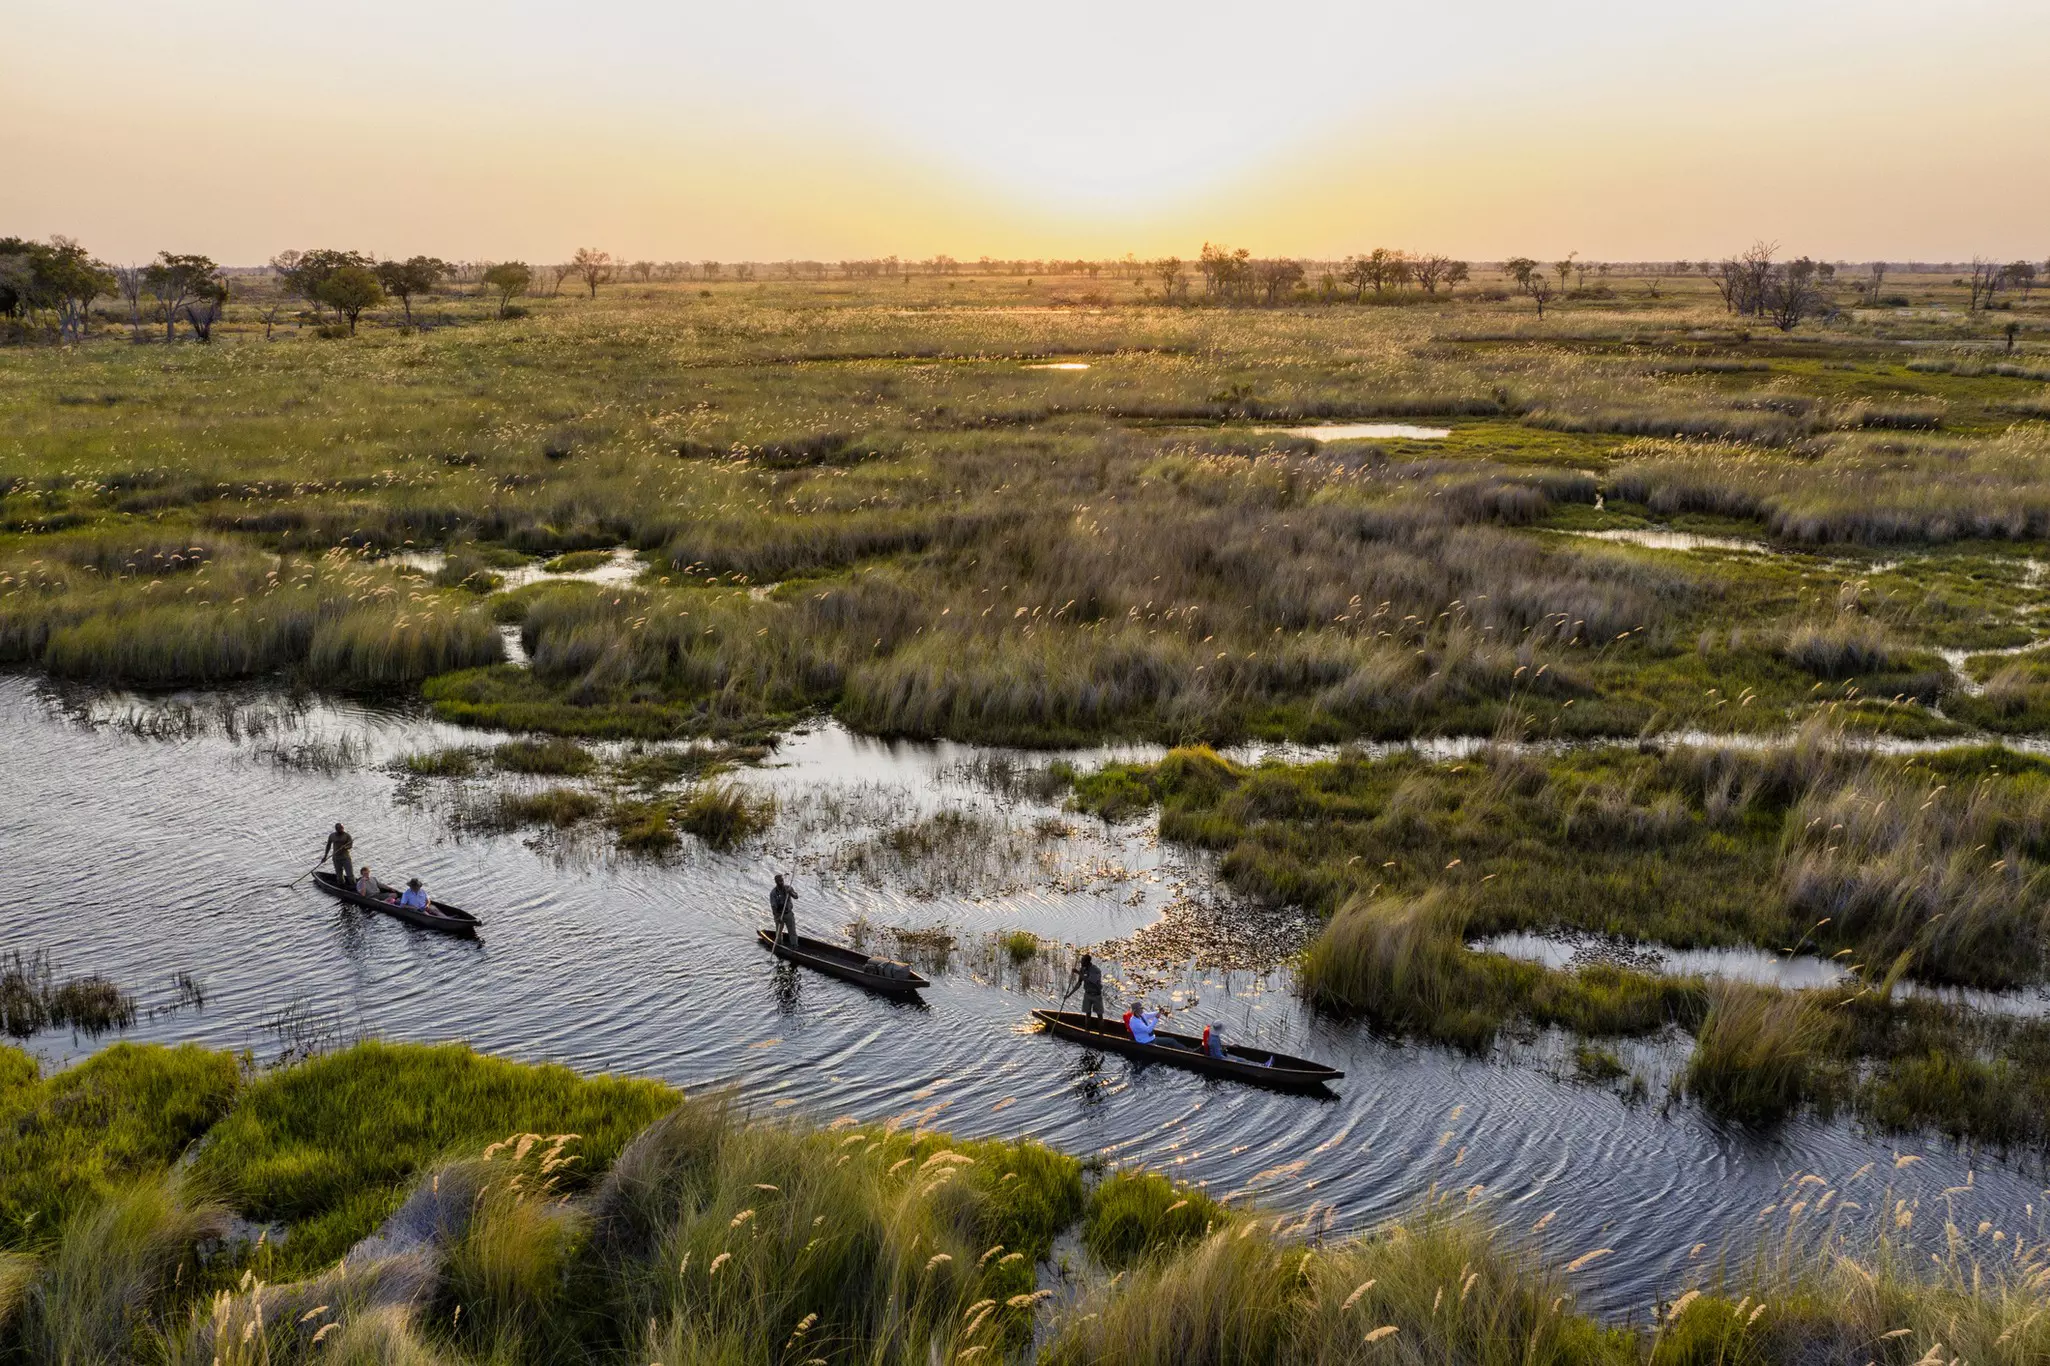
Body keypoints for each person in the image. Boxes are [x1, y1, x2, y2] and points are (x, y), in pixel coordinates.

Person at [1068, 953, 1105, 1021]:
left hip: (1096, 995)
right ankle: (1086, 1029)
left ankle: (1101, 1031)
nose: (1081, 962)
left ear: (1087, 962)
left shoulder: (1096, 970)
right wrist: (1069, 995)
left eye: (1083, 961)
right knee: (1087, 1015)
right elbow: (1079, 983)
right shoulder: (1083, 969)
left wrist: (1078, 972)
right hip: (1087, 994)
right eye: (1081, 960)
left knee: (1099, 1015)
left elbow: (1090, 980)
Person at [769, 874, 798, 949]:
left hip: (788, 914)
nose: (781, 882)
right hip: (779, 915)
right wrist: (777, 917)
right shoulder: (773, 893)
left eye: (782, 880)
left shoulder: (788, 888)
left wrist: (790, 892)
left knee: (792, 931)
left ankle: (794, 946)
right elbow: (773, 906)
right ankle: (779, 945)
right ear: (776, 882)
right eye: (779, 881)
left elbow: (796, 896)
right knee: (778, 932)